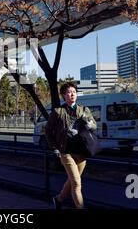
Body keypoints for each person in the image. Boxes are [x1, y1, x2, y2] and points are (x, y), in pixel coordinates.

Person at [45, 82, 97, 210]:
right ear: (63, 95)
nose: (72, 94)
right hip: (65, 151)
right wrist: (54, 147)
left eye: (74, 91)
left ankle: (59, 199)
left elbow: (94, 126)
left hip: (81, 151)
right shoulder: (58, 112)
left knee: (73, 180)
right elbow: (47, 131)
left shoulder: (84, 110)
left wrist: (89, 123)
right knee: (77, 183)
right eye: (69, 92)